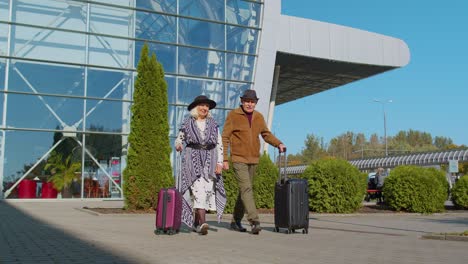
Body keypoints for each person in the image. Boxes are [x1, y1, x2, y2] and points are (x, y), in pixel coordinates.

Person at [222, 90, 286, 235]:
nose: (250, 104)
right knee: (246, 189)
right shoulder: (233, 115)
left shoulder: (258, 117)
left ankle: (235, 221)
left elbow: (266, 134)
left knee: (244, 190)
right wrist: (224, 158)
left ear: (255, 103)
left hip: (253, 159)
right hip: (238, 158)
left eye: (252, 102)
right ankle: (254, 221)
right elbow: (225, 137)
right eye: (247, 101)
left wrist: (279, 144)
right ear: (242, 102)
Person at [175, 95, 226, 235]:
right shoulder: (187, 123)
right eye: (202, 105)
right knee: (199, 191)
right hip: (192, 160)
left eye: (207, 106)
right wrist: (179, 145)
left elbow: (219, 144)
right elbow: (179, 140)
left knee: (208, 190)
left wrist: (220, 163)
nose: (204, 108)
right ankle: (203, 223)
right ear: (196, 107)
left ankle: (197, 223)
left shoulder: (214, 125)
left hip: (210, 160)